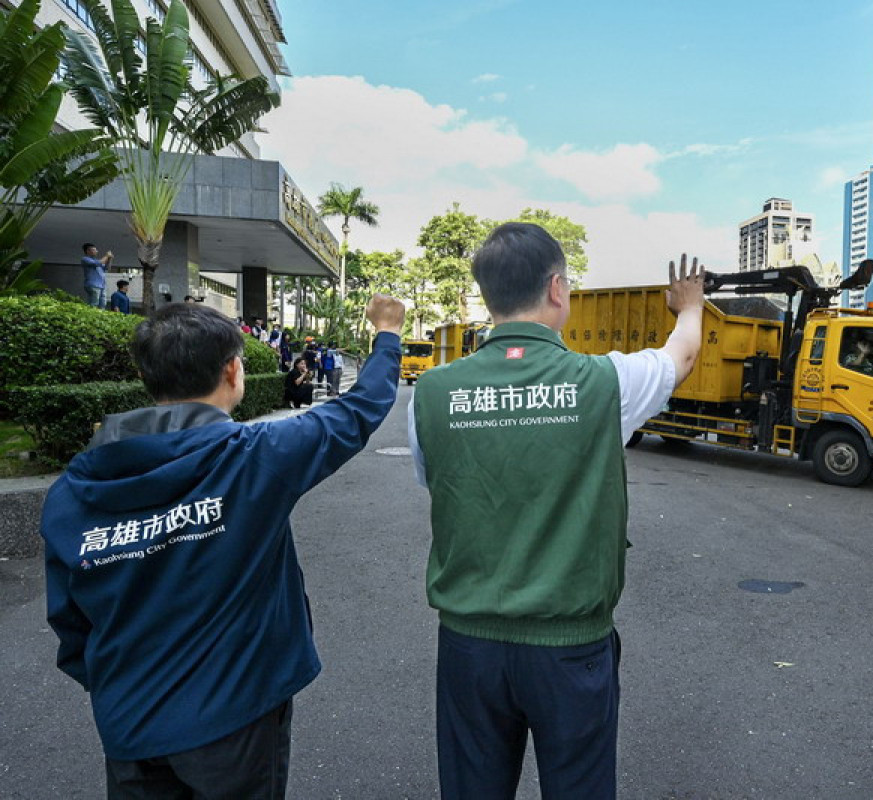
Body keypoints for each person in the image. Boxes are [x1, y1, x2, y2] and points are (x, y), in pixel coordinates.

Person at [41, 296, 404, 798]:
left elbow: (69, 621)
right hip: (237, 718)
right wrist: (386, 332)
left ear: (150, 378)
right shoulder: (256, 459)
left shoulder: (72, 492)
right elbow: (360, 409)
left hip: (128, 722)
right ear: (234, 371)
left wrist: (120, 684)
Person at [409, 222, 705, 799]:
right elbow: (683, 353)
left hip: (469, 643)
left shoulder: (434, 391)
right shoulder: (603, 383)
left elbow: (438, 482)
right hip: (570, 648)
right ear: (557, 288)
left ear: (488, 296)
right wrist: (688, 304)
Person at [81, 243, 113, 309]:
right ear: (88, 251)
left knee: (103, 304)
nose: (96, 251)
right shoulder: (85, 259)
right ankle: (91, 317)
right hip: (93, 285)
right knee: (94, 303)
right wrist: (106, 256)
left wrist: (109, 259)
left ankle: (100, 317)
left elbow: (107, 268)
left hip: (102, 285)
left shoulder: (97, 260)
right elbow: (97, 263)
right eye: (94, 250)